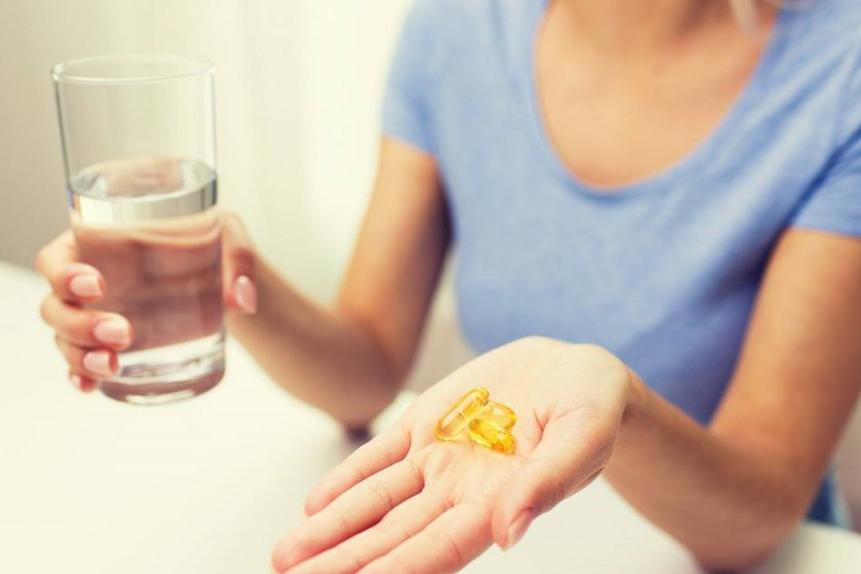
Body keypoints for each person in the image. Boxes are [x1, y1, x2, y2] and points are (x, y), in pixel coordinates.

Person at [35, 0, 861, 571]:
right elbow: (366, 369)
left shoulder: (840, 69)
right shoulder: (457, 26)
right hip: (517, 539)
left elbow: (758, 519)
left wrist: (617, 408)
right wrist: (234, 277)